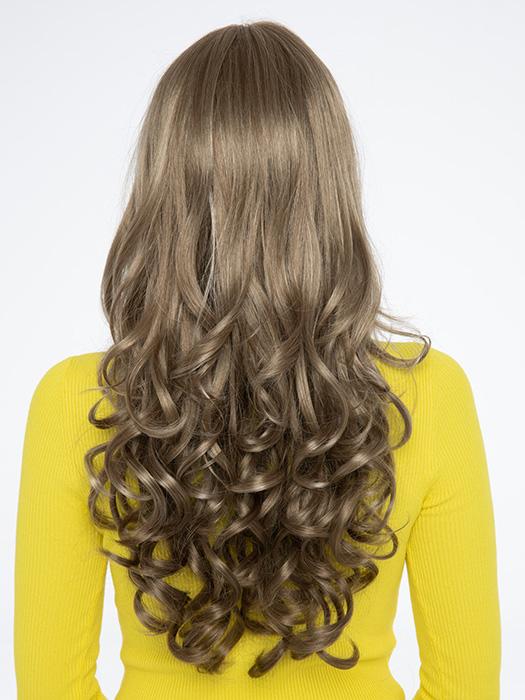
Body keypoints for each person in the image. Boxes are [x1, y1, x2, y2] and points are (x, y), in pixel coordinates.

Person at [13, 19, 501, 700]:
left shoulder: (77, 403)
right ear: (328, 189)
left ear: (163, 192)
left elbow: (52, 688)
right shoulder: (427, 395)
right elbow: (464, 687)